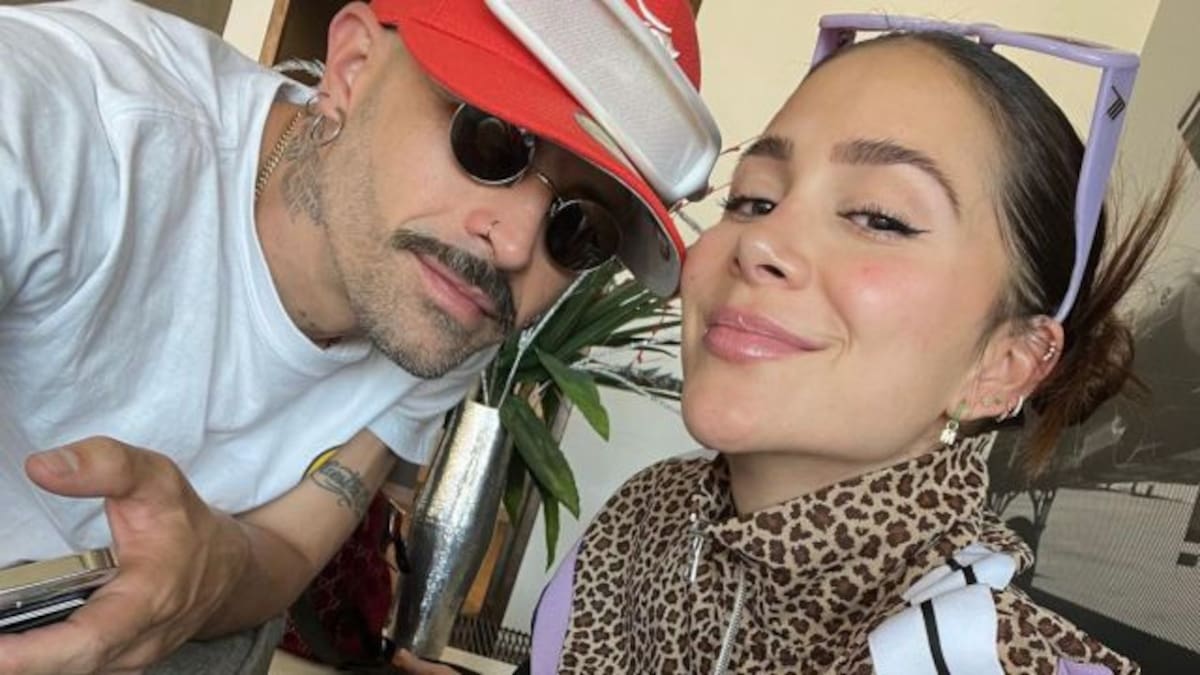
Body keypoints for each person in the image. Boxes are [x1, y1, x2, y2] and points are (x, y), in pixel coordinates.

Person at [0, 0, 715, 672]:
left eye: (581, 226)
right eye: (491, 143)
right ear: (351, 68)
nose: (515, 245)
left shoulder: (445, 297)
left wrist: (211, 565)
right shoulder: (70, 119)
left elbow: (287, 545)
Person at [525, 15, 1184, 675]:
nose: (760, 241)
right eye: (753, 199)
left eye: (879, 217)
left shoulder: (978, 657)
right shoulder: (644, 516)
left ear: (1002, 365)